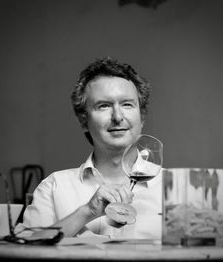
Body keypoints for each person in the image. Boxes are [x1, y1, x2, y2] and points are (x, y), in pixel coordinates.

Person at [17, 57, 162, 240]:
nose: (117, 116)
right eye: (103, 106)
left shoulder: (171, 189)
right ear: (84, 121)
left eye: (127, 104)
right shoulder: (54, 187)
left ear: (142, 118)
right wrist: (87, 211)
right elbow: (25, 250)